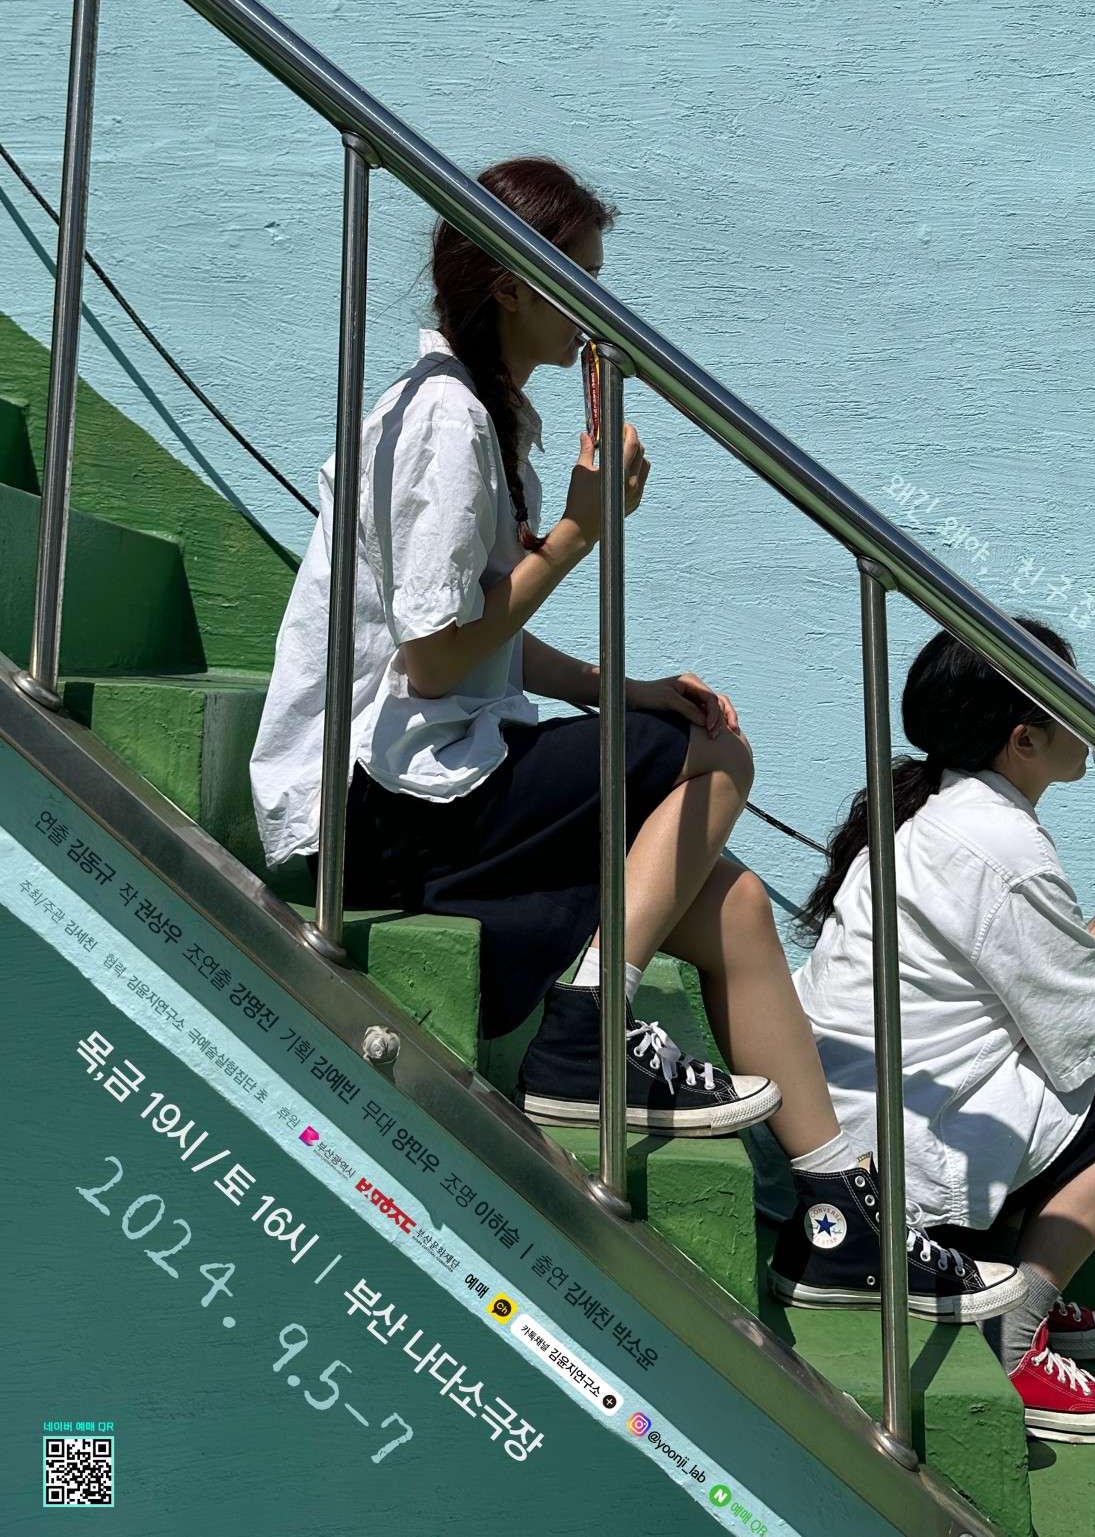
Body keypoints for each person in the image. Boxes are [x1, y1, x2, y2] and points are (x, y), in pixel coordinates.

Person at [249, 153, 1023, 1319]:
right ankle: (586, 1026)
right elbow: (435, 657)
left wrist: (624, 688)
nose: (595, 310)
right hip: (379, 808)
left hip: (432, 777)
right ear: (513, 283)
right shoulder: (444, 423)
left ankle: (835, 1220)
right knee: (718, 761)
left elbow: (481, 644)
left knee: (734, 902)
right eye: (579, 280)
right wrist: (579, 532)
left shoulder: (484, 414)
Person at [791, 621, 1095, 1441]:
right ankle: (1014, 1333)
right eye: (1072, 700)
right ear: (1024, 740)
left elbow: (1072, 986)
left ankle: (1004, 1277)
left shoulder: (942, 811)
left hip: (857, 1126)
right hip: (893, 1158)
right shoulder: (999, 841)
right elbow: (1093, 1018)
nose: (1094, 713)